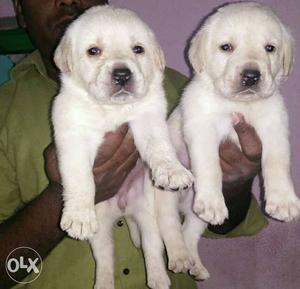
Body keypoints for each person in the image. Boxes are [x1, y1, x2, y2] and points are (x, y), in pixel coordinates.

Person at [0, 0, 268, 288]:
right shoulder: (6, 110)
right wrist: (60, 198)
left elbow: (222, 223)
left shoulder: (183, 95)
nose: (68, 0)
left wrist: (234, 183)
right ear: (19, 9)